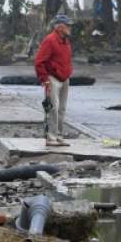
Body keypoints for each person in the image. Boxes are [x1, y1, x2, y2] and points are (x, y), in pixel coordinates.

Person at [34, 14, 74, 147]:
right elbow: (39, 61)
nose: (70, 28)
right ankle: (51, 137)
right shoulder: (50, 40)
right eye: (67, 25)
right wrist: (44, 80)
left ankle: (59, 135)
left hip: (64, 78)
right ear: (60, 27)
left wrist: (68, 73)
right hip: (52, 78)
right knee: (53, 108)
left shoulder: (65, 41)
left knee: (62, 108)